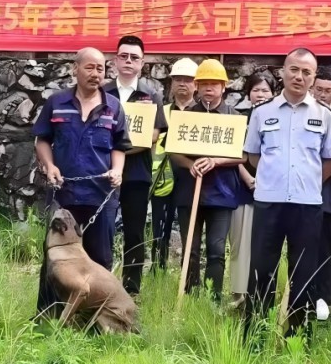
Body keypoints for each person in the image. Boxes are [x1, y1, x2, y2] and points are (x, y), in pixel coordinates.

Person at [243, 48, 331, 337]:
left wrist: (304, 183)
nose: (299, 76)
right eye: (294, 70)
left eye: (306, 72)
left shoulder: (325, 115)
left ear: (314, 77)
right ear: (282, 72)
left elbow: (328, 162)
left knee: (304, 273)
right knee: (261, 270)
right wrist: (276, 178)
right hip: (268, 202)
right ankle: (255, 335)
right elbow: (253, 156)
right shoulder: (262, 112)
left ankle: (297, 337)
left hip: (307, 204)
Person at [32, 47, 129, 317]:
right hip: (64, 194)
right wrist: (50, 165)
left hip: (101, 196)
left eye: (100, 68)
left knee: (100, 259)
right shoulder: (57, 102)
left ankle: (93, 319)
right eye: (89, 67)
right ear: (75, 69)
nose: (96, 73)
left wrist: (117, 170)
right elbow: (42, 140)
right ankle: (48, 315)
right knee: (56, 258)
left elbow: (120, 146)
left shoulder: (113, 107)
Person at [168, 59, 240, 301]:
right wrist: (191, 164)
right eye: (204, 83)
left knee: (217, 249)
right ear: (196, 86)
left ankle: (213, 300)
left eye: (214, 84)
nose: (209, 88)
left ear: (224, 87)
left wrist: (216, 161)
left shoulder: (234, 117)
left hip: (222, 193)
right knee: (191, 248)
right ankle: (189, 297)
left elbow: (244, 155)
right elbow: (172, 151)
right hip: (190, 191)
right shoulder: (186, 116)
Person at [102, 35, 167, 296]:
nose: (128, 61)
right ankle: (99, 283)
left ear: (142, 63)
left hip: (137, 173)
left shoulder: (151, 95)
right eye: (124, 56)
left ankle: (131, 288)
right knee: (101, 228)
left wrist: (118, 149)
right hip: (103, 171)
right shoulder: (102, 93)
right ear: (115, 60)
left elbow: (153, 135)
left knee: (134, 231)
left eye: (134, 57)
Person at [229, 71, 276, 307]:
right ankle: (238, 293)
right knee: (240, 243)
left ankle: (258, 293)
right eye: (256, 90)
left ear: (274, 94)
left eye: (265, 90)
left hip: (272, 190)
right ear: (248, 94)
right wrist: (249, 179)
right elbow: (234, 154)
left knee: (264, 245)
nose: (260, 94)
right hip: (243, 188)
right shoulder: (240, 120)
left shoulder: (278, 119)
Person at [150, 58, 198, 271]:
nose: (182, 83)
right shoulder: (162, 111)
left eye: (188, 79)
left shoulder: (202, 113)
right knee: (159, 229)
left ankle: (189, 277)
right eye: (178, 79)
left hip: (190, 178)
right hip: (163, 178)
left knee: (190, 232)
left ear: (196, 85)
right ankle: (157, 273)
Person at [311, 68, 331, 319]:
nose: (322, 94)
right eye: (319, 89)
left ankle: (323, 296)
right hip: (299, 196)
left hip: (330, 195)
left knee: (325, 250)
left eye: (328, 91)